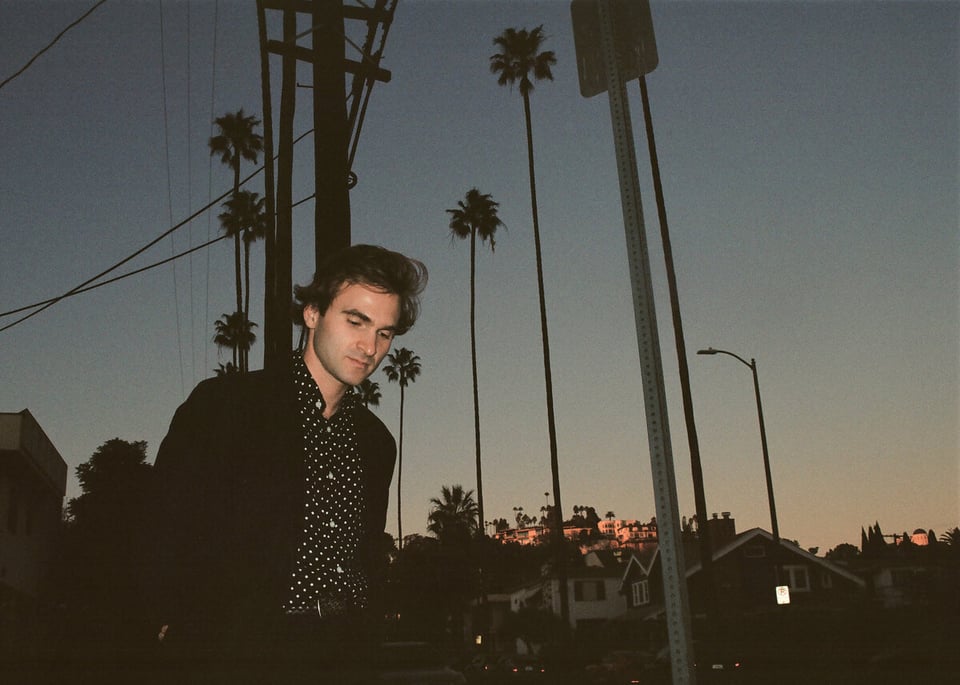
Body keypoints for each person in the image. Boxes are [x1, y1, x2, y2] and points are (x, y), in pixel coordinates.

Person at [146, 244, 428, 683]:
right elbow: (162, 526)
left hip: (342, 656)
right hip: (238, 653)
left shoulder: (376, 443)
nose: (369, 346)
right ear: (313, 313)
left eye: (385, 332)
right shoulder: (228, 406)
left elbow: (366, 552)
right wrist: (175, 629)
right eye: (355, 321)